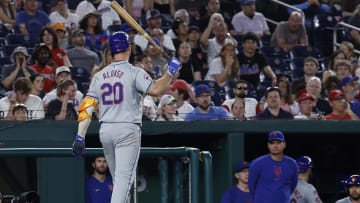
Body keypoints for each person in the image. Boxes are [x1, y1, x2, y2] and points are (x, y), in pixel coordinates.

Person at [71, 31, 182, 203]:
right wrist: (170, 73)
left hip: (106, 130)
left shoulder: (100, 75)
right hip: (127, 130)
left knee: (121, 181)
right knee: (123, 180)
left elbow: (87, 107)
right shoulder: (134, 72)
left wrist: (80, 135)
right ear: (129, 48)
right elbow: (156, 90)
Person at [249, 130, 298, 203]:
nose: (275, 146)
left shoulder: (292, 163)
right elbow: (251, 186)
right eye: (272, 143)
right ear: (268, 145)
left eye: (278, 143)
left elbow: (293, 185)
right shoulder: (257, 163)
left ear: (284, 144)